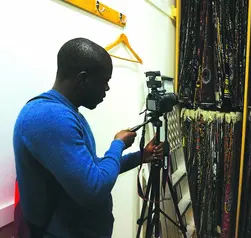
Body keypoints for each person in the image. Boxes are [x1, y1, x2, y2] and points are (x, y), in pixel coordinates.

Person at [13, 38, 163, 238]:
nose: (107, 89)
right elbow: (93, 188)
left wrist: (140, 156)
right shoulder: (50, 117)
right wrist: (117, 145)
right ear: (82, 79)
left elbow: (92, 170)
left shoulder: (68, 114)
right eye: (104, 82)